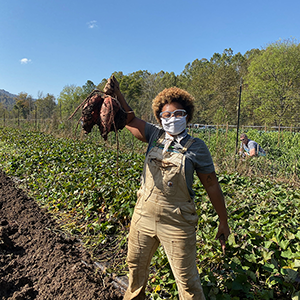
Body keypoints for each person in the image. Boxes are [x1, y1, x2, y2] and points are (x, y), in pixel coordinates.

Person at [104, 76, 230, 300]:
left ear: (187, 116)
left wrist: (223, 220)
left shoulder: (197, 147)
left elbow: (211, 185)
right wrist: (117, 95)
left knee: (188, 283)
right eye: (167, 115)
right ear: (160, 118)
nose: (173, 118)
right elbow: (130, 120)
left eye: (178, 114)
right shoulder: (154, 135)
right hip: (143, 215)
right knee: (135, 269)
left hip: (177, 221)